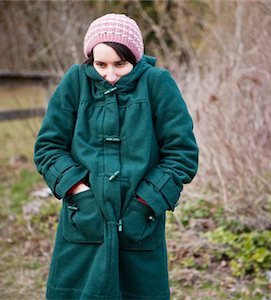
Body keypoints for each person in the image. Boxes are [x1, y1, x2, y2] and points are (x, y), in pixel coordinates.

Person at [34, 13, 198, 300]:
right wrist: (79, 192)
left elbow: (182, 154)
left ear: (134, 57)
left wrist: (145, 203)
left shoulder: (158, 84)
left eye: (120, 64)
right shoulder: (75, 83)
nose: (109, 74)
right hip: (82, 220)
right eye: (101, 65)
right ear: (90, 60)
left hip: (139, 222)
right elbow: (48, 147)